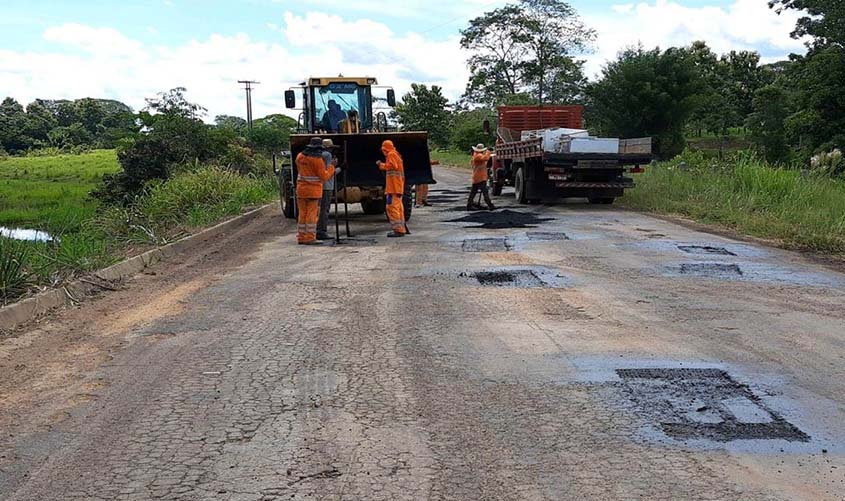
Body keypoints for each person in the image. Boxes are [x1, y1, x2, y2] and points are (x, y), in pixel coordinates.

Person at [295, 137, 336, 245]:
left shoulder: (300, 157)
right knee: (312, 214)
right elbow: (324, 177)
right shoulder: (317, 160)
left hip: (301, 190)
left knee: (302, 214)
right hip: (313, 191)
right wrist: (332, 167)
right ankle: (310, 237)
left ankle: (301, 237)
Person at [377, 140, 406, 238]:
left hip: (393, 188)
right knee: (398, 208)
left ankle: (398, 230)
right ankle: (401, 228)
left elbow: (393, 166)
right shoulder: (396, 154)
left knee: (391, 208)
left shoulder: (391, 155)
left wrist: (381, 165)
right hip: (397, 188)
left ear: (385, 149)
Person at [316, 138, 339, 241]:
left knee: (319, 209)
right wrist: (338, 167)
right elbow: (329, 172)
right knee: (324, 210)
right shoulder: (327, 155)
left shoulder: (317, 155)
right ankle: (321, 231)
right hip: (326, 186)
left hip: (319, 186)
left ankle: (316, 230)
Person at [467, 143, 496, 211]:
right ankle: (490, 205)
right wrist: (489, 151)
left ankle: (469, 205)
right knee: (485, 192)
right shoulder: (478, 156)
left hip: (477, 177)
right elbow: (486, 158)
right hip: (480, 178)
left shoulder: (476, 155)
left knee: (473, 192)